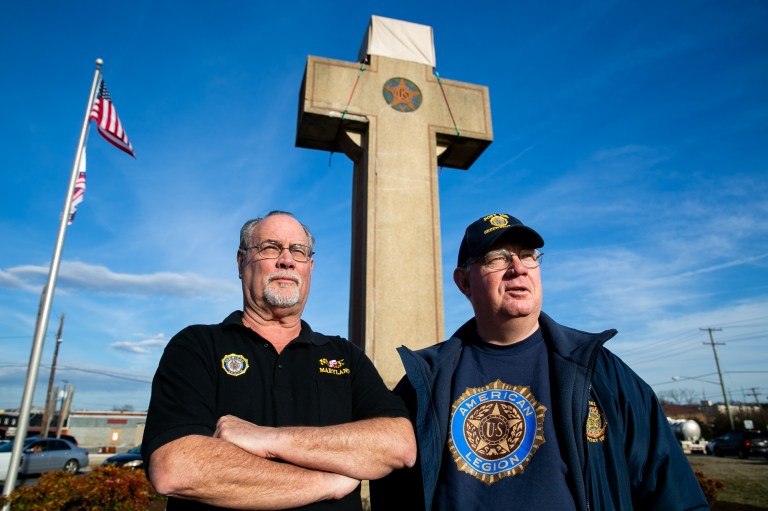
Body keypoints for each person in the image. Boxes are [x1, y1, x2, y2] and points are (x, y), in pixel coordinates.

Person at [370, 213, 708, 510]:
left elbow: (672, 493)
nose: (517, 268)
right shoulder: (425, 382)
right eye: (496, 259)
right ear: (464, 282)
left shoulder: (600, 373)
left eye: (528, 256)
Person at [142, 211, 416, 510]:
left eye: (298, 251)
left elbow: (399, 445)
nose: (286, 260)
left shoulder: (345, 356)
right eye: (270, 247)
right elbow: (176, 468)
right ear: (241, 261)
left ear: (309, 267)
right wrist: (327, 483)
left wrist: (267, 439)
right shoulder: (197, 346)